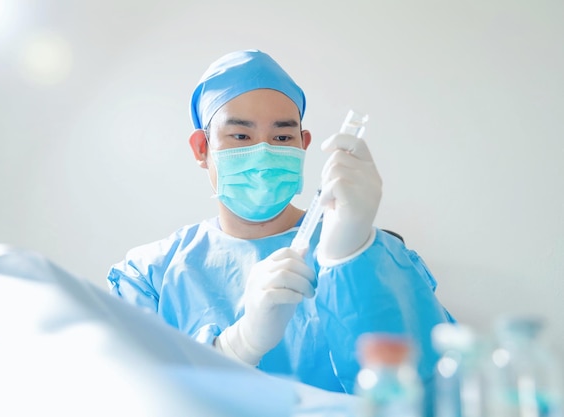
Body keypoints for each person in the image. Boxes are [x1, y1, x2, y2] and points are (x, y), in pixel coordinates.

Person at [107, 49, 454, 396]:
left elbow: (438, 392)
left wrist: (354, 259)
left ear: (303, 145)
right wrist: (235, 346)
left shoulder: (365, 250)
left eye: (282, 137)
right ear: (202, 148)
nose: (263, 152)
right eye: (241, 136)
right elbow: (128, 395)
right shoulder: (150, 275)